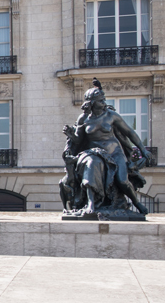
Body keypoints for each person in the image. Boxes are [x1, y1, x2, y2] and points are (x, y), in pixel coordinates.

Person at [62, 85, 152, 216]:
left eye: (104, 100)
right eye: (100, 100)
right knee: (91, 165)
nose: (104, 103)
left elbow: (130, 132)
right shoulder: (84, 118)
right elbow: (78, 140)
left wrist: (143, 150)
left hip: (114, 152)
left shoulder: (111, 116)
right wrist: (71, 135)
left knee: (122, 181)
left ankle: (136, 203)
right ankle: (91, 203)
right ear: (91, 102)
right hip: (94, 153)